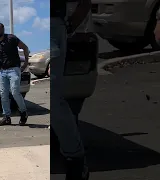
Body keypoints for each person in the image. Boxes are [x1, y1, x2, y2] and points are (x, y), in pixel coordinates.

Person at [51, 0, 91, 179]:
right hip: (19, 25)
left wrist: (72, 24)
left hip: (49, 25)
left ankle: (75, 160)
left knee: (52, 100)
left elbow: (84, 2)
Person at [0, 23, 29, 126]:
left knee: (15, 92)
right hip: (2, 72)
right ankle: (7, 117)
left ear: (3, 29)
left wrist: (26, 62)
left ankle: (23, 112)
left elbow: (25, 47)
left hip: (14, 70)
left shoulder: (11, 38)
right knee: (3, 95)